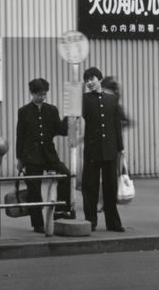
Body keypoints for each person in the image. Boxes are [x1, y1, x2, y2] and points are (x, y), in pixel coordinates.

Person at [15, 77, 73, 231]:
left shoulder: (52, 110)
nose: (42, 97)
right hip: (31, 156)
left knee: (65, 175)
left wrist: (70, 117)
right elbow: (20, 136)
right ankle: (38, 224)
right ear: (32, 93)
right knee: (34, 189)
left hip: (49, 154)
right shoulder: (24, 111)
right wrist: (19, 159)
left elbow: (60, 130)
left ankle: (60, 211)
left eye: (44, 94)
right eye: (39, 94)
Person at [80, 66, 126, 233]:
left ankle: (113, 223)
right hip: (92, 150)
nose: (89, 83)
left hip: (110, 150)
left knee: (110, 187)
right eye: (86, 81)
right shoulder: (83, 100)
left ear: (99, 79)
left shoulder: (112, 100)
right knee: (89, 187)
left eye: (92, 79)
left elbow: (116, 126)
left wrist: (120, 149)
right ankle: (90, 221)